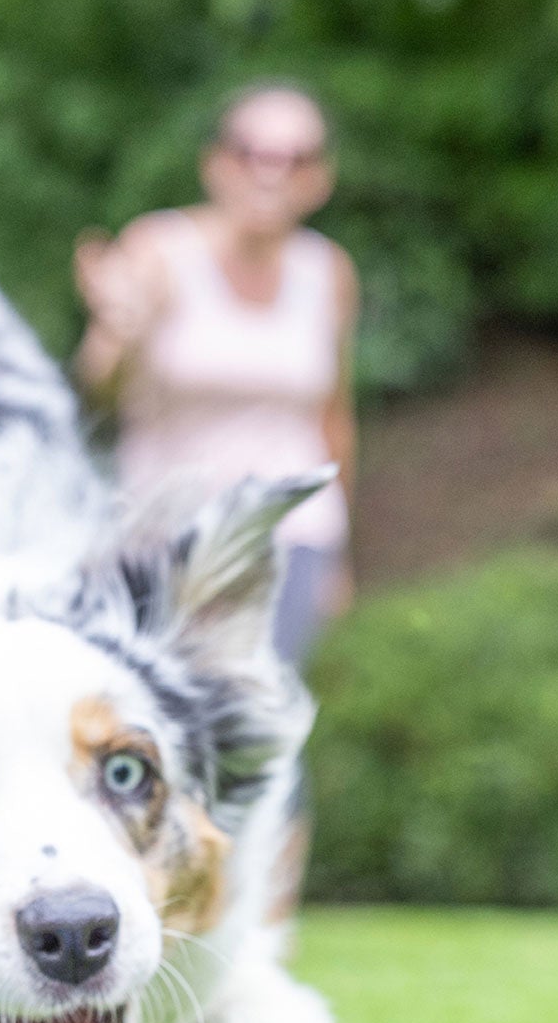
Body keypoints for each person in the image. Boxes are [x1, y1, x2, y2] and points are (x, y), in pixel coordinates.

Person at [75, 81, 358, 666]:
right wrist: (118, 332)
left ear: (320, 179)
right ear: (216, 164)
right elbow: (97, 390)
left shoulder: (327, 270)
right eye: (250, 152)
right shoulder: (158, 249)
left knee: (261, 726)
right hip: (167, 537)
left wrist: (341, 553)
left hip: (291, 536)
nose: (270, 172)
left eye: (294, 158)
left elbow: (333, 415)